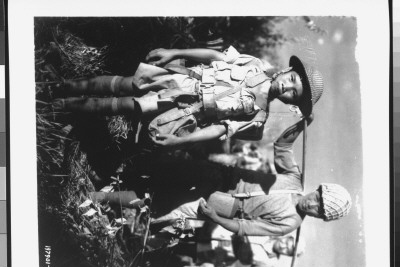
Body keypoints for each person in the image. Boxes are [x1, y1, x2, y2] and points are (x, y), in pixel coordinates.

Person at [51, 46, 324, 148]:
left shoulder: (258, 117)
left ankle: (60, 107)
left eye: (293, 94)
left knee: (125, 105)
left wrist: (178, 140)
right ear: (288, 70)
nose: (287, 89)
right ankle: (61, 86)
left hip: (183, 109)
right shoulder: (254, 64)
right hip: (181, 79)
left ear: (290, 102)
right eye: (291, 81)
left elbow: (219, 129)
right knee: (124, 84)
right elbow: (216, 56)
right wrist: (175, 51)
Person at [149, 114, 352, 236]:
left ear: (320, 218)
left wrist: (213, 217)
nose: (313, 205)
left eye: (320, 210)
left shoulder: (291, 223)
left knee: (161, 204)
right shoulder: (294, 180)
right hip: (222, 175)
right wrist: (301, 124)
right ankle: (129, 170)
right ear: (317, 189)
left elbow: (243, 227)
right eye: (318, 198)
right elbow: (282, 146)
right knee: (166, 171)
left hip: (221, 205)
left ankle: (124, 199)